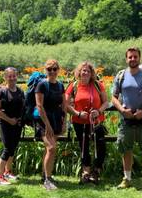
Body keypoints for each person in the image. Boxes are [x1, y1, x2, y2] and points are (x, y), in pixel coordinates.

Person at [111, 47, 142, 189]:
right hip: (126, 118)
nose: (133, 59)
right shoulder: (121, 76)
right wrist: (122, 110)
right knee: (126, 149)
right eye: (130, 57)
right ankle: (127, 178)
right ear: (126, 59)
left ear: (139, 58)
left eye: (135, 57)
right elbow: (114, 97)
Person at [64, 61, 109, 184]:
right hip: (79, 121)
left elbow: (106, 102)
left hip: (96, 121)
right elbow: (66, 104)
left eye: (88, 71)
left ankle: (96, 171)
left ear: (92, 73)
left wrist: (99, 111)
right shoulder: (73, 86)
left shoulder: (98, 85)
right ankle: (86, 172)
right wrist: (77, 113)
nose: (85, 73)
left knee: (100, 146)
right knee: (84, 147)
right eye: (83, 70)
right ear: (79, 72)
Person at [35, 59, 65, 190]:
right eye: (49, 69)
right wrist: (47, 125)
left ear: (58, 70)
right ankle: (47, 180)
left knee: (50, 149)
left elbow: (64, 104)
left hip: (56, 119)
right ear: (45, 70)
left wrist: (64, 122)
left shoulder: (60, 85)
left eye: (54, 69)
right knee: (51, 148)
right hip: (43, 120)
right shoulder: (41, 85)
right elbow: (39, 106)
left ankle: (46, 176)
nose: (52, 71)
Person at [0, 67, 25, 185]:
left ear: (17, 76)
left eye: (14, 76)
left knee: (12, 148)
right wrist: (9, 120)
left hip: (17, 124)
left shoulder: (20, 91)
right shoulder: (1, 91)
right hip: (5, 124)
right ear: (5, 77)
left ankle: (7, 172)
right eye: (9, 76)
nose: (12, 78)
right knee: (7, 149)